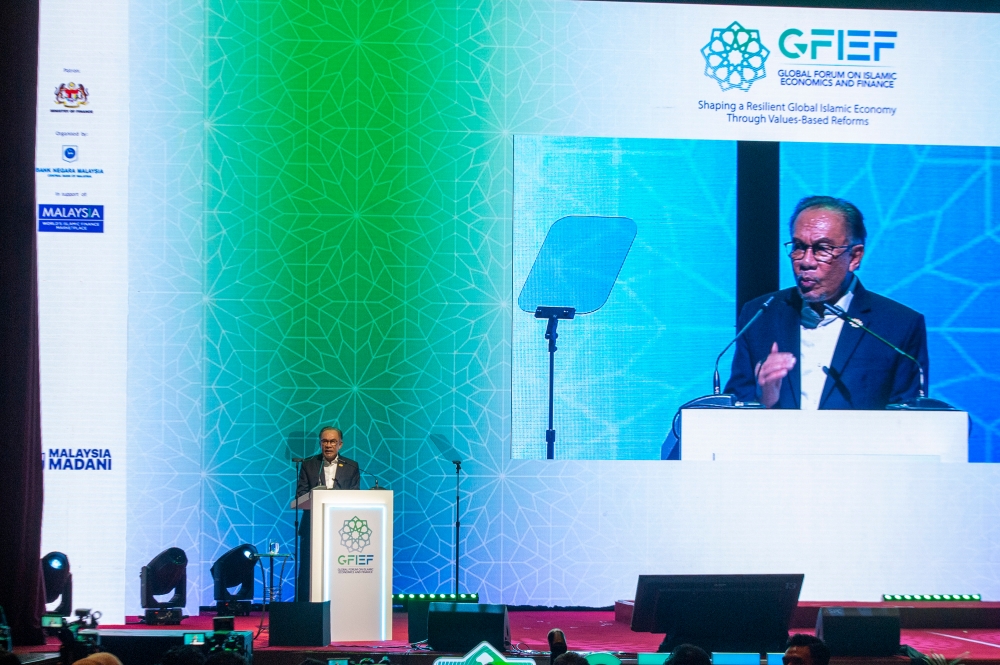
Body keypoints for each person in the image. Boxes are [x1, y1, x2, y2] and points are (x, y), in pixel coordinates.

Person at [725, 195, 928, 410]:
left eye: (822, 249)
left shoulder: (898, 326)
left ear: (855, 257)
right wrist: (763, 396)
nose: (806, 261)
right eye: (799, 247)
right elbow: (734, 407)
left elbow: (909, 419)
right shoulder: (760, 315)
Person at [295, 426, 361, 600]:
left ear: (340, 444)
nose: (328, 445)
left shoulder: (351, 466)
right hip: (312, 529)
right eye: (325, 441)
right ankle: (306, 610)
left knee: (338, 572)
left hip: (342, 531)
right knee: (308, 572)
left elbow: (355, 497)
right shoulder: (309, 465)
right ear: (320, 443)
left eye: (333, 441)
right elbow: (300, 495)